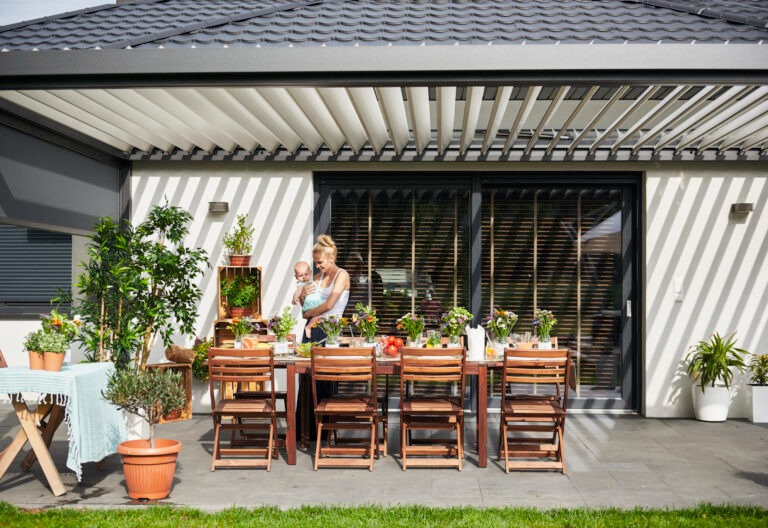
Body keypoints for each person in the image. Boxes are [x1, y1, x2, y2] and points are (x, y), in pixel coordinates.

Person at [296, 235, 350, 441]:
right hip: (312, 331)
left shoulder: (342, 275)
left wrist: (306, 314)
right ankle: (305, 431)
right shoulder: (317, 278)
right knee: (307, 380)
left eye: (320, 262)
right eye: (316, 262)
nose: (318, 267)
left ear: (331, 257)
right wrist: (302, 298)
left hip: (331, 332)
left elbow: (329, 306)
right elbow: (307, 305)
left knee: (326, 381)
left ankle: (326, 432)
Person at [291, 260, 324, 338]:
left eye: (306, 274)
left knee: (319, 316)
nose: (304, 277)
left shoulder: (312, 281)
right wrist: (294, 298)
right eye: (300, 275)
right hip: (311, 305)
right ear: (296, 276)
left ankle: (309, 326)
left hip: (315, 304)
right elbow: (298, 291)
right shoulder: (301, 284)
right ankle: (308, 327)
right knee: (318, 315)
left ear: (311, 272)